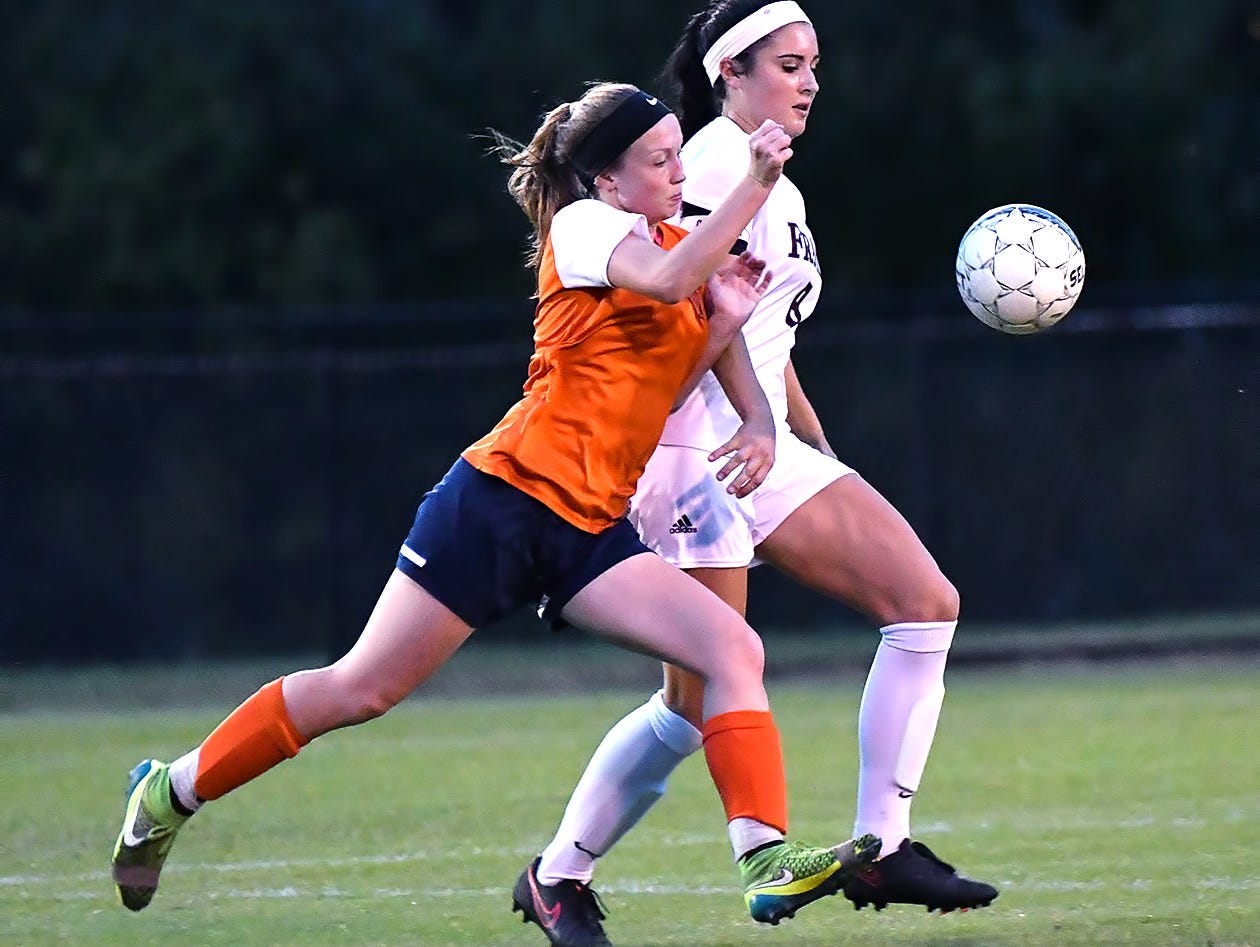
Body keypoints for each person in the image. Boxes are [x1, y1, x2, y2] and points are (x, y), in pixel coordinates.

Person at [109, 81, 880, 936]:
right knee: (362, 688)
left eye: (675, 155)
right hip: (500, 503)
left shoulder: (687, 252)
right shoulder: (587, 228)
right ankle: (170, 789)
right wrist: (754, 187)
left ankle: (764, 859)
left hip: (592, 529)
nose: (675, 171)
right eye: (657, 160)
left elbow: (689, 375)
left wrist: (738, 350)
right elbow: (665, 280)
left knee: (732, 646)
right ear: (606, 180)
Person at [516, 5, 999, 945]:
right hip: (686, 452)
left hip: (754, 444)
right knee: (694, 703)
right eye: (787, 63)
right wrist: (753, 426)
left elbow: (766, 344)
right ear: (730, 72)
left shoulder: (778, 185)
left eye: (815, 63)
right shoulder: (703, 167)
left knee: (924, 601)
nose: (810, 81)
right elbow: (672, 329)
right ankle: (559, 874)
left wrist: (810, 445)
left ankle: (884, 842)